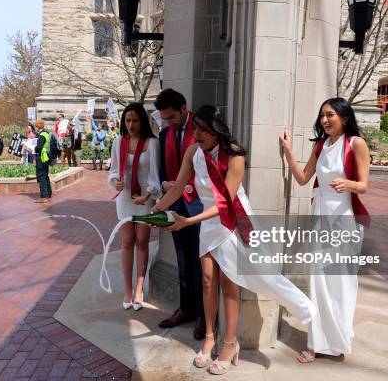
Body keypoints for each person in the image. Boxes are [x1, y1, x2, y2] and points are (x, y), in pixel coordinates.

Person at [154, 105, 316, 375]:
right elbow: (179, 187)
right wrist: (157, 209)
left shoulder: (235, 155)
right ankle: (210, 337)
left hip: (232, 220)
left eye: (203, 130)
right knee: (207, 280)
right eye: (195, 129)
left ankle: (230, 343)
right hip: (208, 221)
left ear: (217, 130)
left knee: (231, 282)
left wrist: (188, 222)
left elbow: (225, 203)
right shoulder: (193, 152)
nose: (198, 135)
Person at [280, 97, 370, 363]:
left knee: (341, 283)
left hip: (343, 219)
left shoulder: (356, 144)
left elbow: (364, 185)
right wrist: (288, 152)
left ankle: (338, 340)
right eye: (322, 116)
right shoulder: (321, 146)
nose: (325, 120)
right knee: (318, 282)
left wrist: (349, 184)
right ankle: (316, 343)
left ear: (344, 117)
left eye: (330, 115)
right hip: (319, 217)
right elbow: (303, 178)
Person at [154, 89, 205, 340]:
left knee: (201, 265)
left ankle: (204, 316)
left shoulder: (202, 130)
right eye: (165, 119)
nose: (169, 123)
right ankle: (186, 308)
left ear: (184, 109)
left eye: (172, 117)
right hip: (176, 206)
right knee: (183, 261)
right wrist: (165, 185)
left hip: (200, 207)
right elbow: (163, 169)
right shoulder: (165, 134)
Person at [107, 103, 160, 311]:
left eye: (135, 120)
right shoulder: (119, 141)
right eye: (127, 120)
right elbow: (113, 170)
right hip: (125, 198)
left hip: (144, 199)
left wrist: (148, 195)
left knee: (142, 241)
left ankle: (139, 287)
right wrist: (115, 182)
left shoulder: (152, 143)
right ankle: (127, 289)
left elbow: (155, 175)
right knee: (127, 241)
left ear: (142, 121)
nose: (131, 124)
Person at [34, 119, 52, 203]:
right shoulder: (46, 134)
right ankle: (48, 193)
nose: (35, 128)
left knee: (41, 177)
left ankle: (43, 197)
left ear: (38, 126)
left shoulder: (41, 136)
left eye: (36, 126)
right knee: (45, 175)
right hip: (46, 157)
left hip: (41, 157)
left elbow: (39, 148)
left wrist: (32, 148)